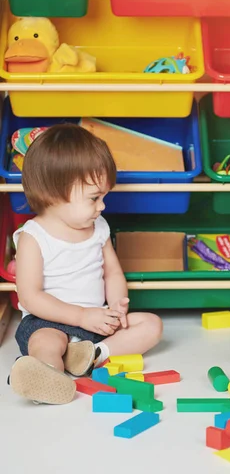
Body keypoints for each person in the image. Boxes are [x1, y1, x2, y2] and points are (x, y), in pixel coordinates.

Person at [9, 124, 163, 405]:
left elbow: (112, 271)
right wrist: (80, 316)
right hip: (49, 321)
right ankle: (49, 376)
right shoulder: (33, 237)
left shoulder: (98, 227)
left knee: (151, 325)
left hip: (96, 321)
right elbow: (30, 297)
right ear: (54, 193)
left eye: (104, 196)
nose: (102, 206)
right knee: (46, 343)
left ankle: (93, 356)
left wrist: (117, 304)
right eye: (94, 198)